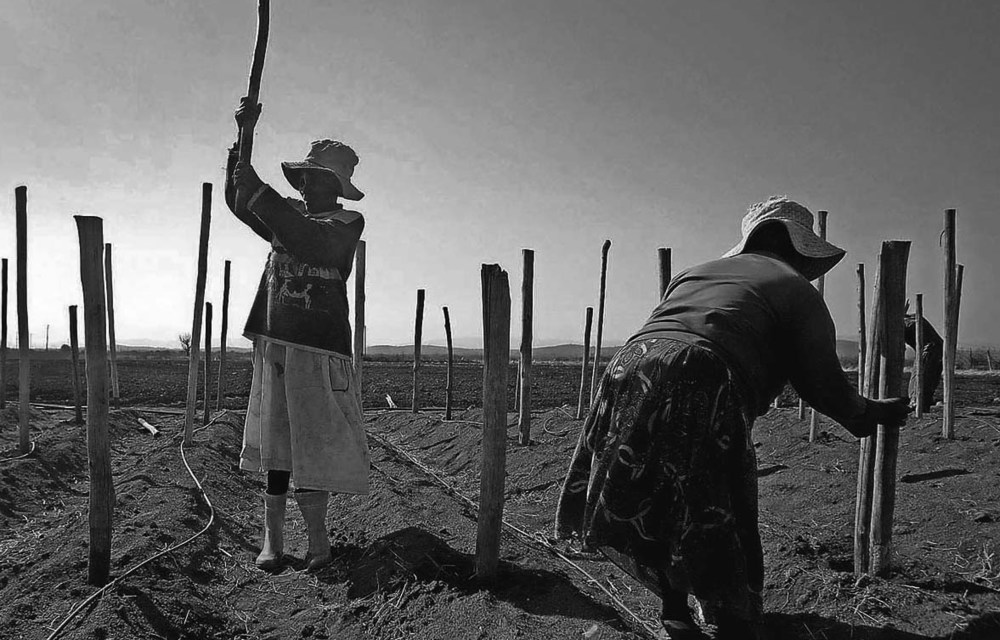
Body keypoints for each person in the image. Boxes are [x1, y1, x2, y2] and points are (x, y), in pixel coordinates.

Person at [554, 196, 909, 639]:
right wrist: (864, 413)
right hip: (699, 373)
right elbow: (820, 382)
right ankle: (730, 621)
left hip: (628, 365)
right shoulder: (794, 287)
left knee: (657, 495)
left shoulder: (693, 274)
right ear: (799, 249)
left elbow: (671, 331)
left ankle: (676, 613)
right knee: (710, 502)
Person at [225, 98, 369, 571]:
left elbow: (310, 240)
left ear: (334, 185)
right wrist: (243, 138)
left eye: (312, 178)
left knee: (313, 438)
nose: (304, 185)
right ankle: (273, 539)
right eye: (301, 178)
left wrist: (262, 191)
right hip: (277, 338)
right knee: (278, 438)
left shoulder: (344, 224)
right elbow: (241, 202)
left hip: (318, 344)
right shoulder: (287, 216)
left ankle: (317, 538)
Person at [903, 310, 943, 412]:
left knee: (919, 375)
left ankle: (915, 401)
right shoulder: (913, 318)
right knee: (929, 377)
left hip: (928, 349)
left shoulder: (904, 323)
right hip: (937, 348)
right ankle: (924, 402)